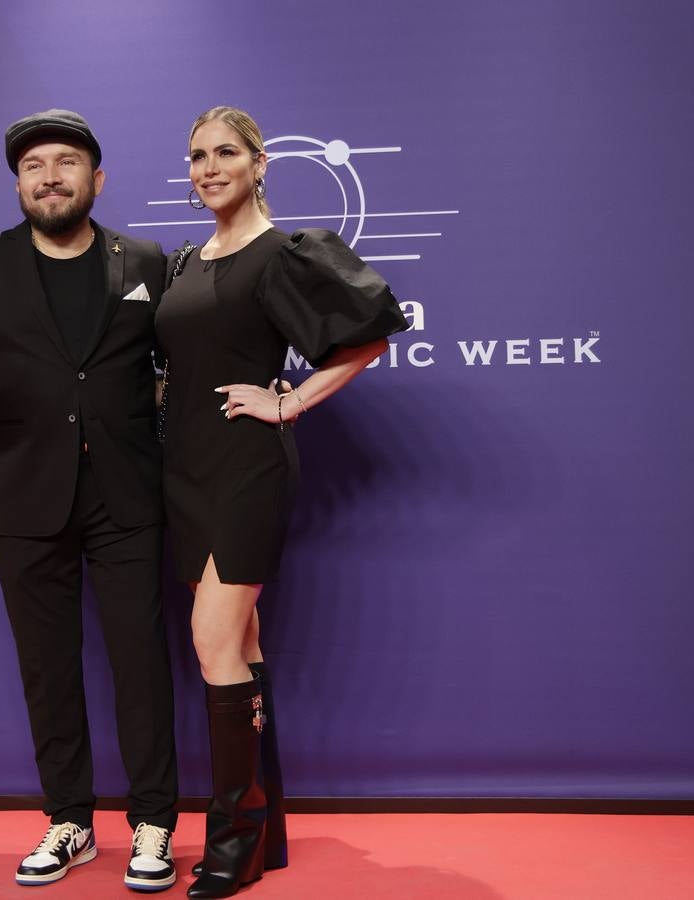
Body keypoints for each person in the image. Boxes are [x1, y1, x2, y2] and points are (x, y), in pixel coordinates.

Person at [0, 109, 180, 893]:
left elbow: (176, 367)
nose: (50, 176)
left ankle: (153, 822)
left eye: (66, 162)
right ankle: (69, 820)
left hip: (127, 494)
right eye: (33, 166)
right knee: (47, 668)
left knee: (140, 664)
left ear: (96, 178)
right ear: (18, 185)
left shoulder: (146, 260)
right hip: (24, 497)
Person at [155, 106, 407, 898]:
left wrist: (290, 401)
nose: (208, 168)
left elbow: (371, 333)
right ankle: (265, 835)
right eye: (197, 156)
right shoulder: (182, 262)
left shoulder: (282, 254)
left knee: (212, 644)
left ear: (259, 163)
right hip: (183, 471)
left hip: (246, 467)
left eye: (225, 152)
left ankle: (232, 843)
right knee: (242, 641)